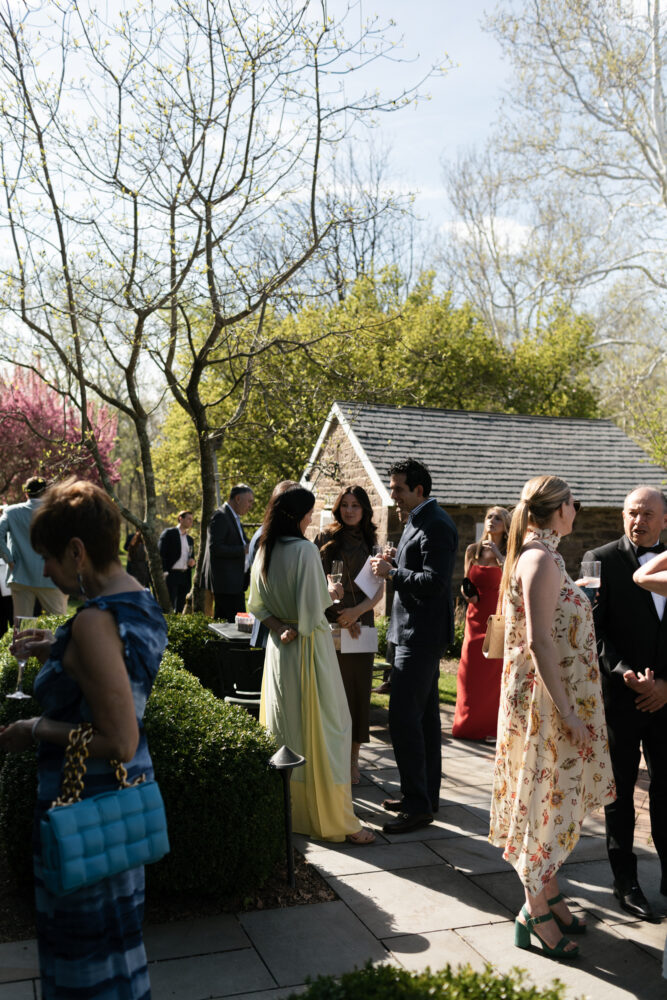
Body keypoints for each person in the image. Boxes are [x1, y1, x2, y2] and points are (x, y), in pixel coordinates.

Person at [0, 478, 167, 999]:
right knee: (114, 951)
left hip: (84, 809)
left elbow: (118, 738)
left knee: (86, 966)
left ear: (77, 551)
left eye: (48, 557)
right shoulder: (138, 599)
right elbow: (118, 672)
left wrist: (34, 729)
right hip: (118, 806)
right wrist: (61, 649)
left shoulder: (95, 622)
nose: (44, 569)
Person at [489, 475, 614, 960]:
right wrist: (568, 713)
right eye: (573, 502)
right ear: (558, 508)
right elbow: (540, 641)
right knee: (544, 801)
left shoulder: (544, 555)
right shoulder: (539, 558)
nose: (577, 509)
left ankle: (549, 893)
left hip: (550, 698)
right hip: (547, 705)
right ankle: (533, 911)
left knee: (548, 798)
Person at [248, 486, 374, 844]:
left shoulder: (265, 549)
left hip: (280, 652)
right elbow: (313, 609)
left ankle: (289, 809)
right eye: (308, 512)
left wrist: (280, 628)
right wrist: (329, 596)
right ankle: (336, 818)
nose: (310, 518)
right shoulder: (303, 550)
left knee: (288, 725)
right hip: (309, 650)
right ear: (295, 516)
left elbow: (257, 605)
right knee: (330, 726)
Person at [584, 485, 667, 921]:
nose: (639, 520)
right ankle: (625, 881)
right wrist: (624, 674)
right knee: (617, 793)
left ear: (665, 519)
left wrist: (666, 685)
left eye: (648, 513)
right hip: (620, 698)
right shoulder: (599, 559)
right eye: (632, 513)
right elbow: (594, 631)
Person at [371, 458, 458, 835]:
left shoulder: (436, 524)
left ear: (418, 490)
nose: (393, 496)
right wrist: (395, 561)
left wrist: (392, 573)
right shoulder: (417, 519)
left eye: (397, 489)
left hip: (420, 637)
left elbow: (434, 583)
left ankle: (418, 806)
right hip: (408, 633)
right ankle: (421, 796)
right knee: (423, 721)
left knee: (403, 721)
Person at [315, 486, 384, 784]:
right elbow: (316, 582)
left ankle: (353, 760)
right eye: (345, 504)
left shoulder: (373, 542)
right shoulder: (325, 538)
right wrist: (341, 617)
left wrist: (356, 614)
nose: (350, 510)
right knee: (333, 693)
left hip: (362, 622)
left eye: (356, 505)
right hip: (332, 619)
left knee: (358, 694)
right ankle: (332, 756)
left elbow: (380, 587)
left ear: (365, 509)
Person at [452, 506, 511, 740]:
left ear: (506, 525)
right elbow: (465, 581)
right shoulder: (472, 550)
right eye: (489, 517)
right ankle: (465, 725)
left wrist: (497, 552)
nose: (492, 521)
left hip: (497, 618)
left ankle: (489, 728)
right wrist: (467, 593)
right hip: (474, 617)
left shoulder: (508, 552)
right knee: (469, 672)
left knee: (491, 674)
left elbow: (513, 576)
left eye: (498, 518)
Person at [0, 477, 67, 616]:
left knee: (24, 626)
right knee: (58, 623)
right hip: (51, 578)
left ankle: (27, 638)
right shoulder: (57, 512)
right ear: (46, 492)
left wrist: (9, 560)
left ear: (26, 493)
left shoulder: (11, 512)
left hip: (20, 576)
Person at [202, 484, 254, 621]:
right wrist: (243, 550)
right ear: (238, 498)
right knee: (228, 626)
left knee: (238, 624)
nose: (250, 506)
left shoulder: (233, 516)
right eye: (249, 501)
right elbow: (216, 548)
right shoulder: (221, 516)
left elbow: (242, 542)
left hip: (235, 583)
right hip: (226, 585)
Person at [158, 510, 195, 613]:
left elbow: (191, 556)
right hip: (171, 574)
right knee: (168, 605)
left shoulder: (190, 539)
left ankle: (178, 627)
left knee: (181, 606)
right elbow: (161, 553)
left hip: (185, 576)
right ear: (180, 519)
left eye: (192, 520)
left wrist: (192, 562)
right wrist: (164, 572)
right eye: (188, 519)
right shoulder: (169, 533)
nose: (190, 521)